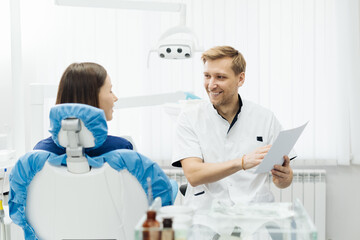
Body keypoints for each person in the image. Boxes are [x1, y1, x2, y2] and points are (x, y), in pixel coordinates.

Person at [172, 46, 294, 210]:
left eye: (220, 77)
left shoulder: (265, 118)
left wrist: (284, 178)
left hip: (254, 211)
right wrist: (242, 162)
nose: (211, 85)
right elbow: (193, 174)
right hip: (206, 212)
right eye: (207, 76)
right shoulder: (189, 117)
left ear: (240, 79)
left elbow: (284, 181)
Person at [34, 62, 133, 155]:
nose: (115, 98)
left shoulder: (40, 151)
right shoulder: (122, 149)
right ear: (91, 97)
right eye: (110, 91)